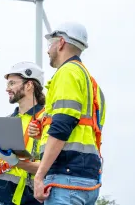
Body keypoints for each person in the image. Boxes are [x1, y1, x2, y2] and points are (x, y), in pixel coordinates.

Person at [31, 21, 107, 205]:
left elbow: (63, 125)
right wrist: (44, 129)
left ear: (61, 43)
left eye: (51, 44)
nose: (48, 50)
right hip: (87, 177)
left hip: (66, 177)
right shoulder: (89, 81)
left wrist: (39, 175)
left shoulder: (67, 73)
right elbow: (82, 126)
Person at [0, 61, 50, 205]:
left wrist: (16, 162)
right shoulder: (8, 122)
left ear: (29, 85)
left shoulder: (47, 119)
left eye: (12, 83)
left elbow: (48, 167)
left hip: (30, 199)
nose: (7, 89)